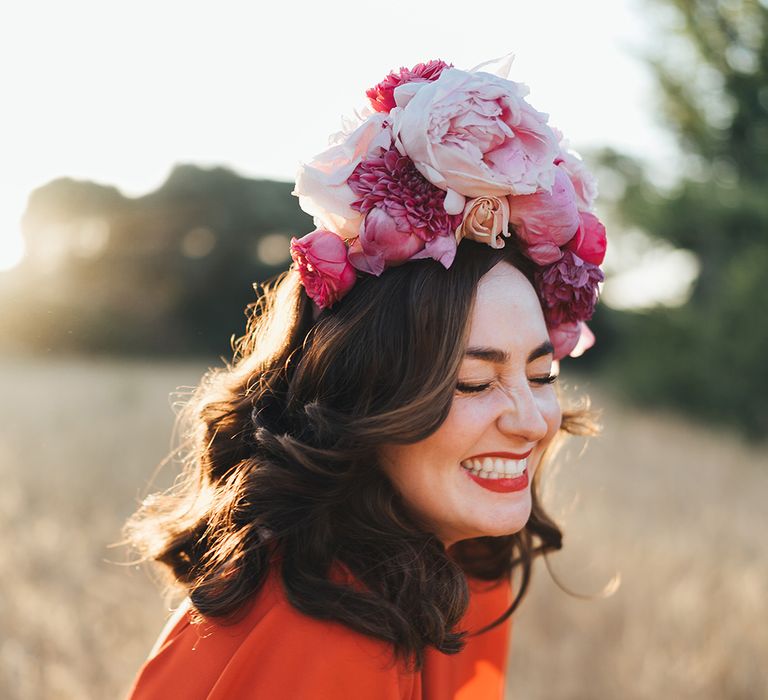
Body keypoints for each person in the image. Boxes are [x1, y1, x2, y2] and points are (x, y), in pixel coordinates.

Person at [126, 55, 606, 699]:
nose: (531, 420)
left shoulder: (457, 573)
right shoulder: (329, 644)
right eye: (472, 382)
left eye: (542, 373)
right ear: (363, 396)